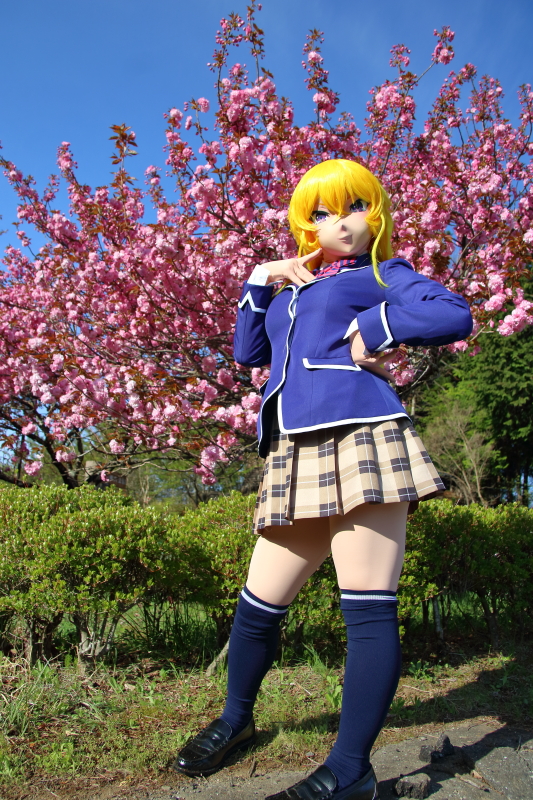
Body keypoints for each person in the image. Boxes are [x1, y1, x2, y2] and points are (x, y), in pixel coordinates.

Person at [173, 159, 473, 800]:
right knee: (258, 602)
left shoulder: (383, 273)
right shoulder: (293, 288)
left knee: (366, 608)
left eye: (353, 206)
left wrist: (376, 326)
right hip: (294, 449)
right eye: (321, 212)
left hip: (362, 434)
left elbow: (453, 313)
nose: (339, 222)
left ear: (376, 213)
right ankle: (236, 720)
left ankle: (350, 769)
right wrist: (260, 281)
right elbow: (249, 353)